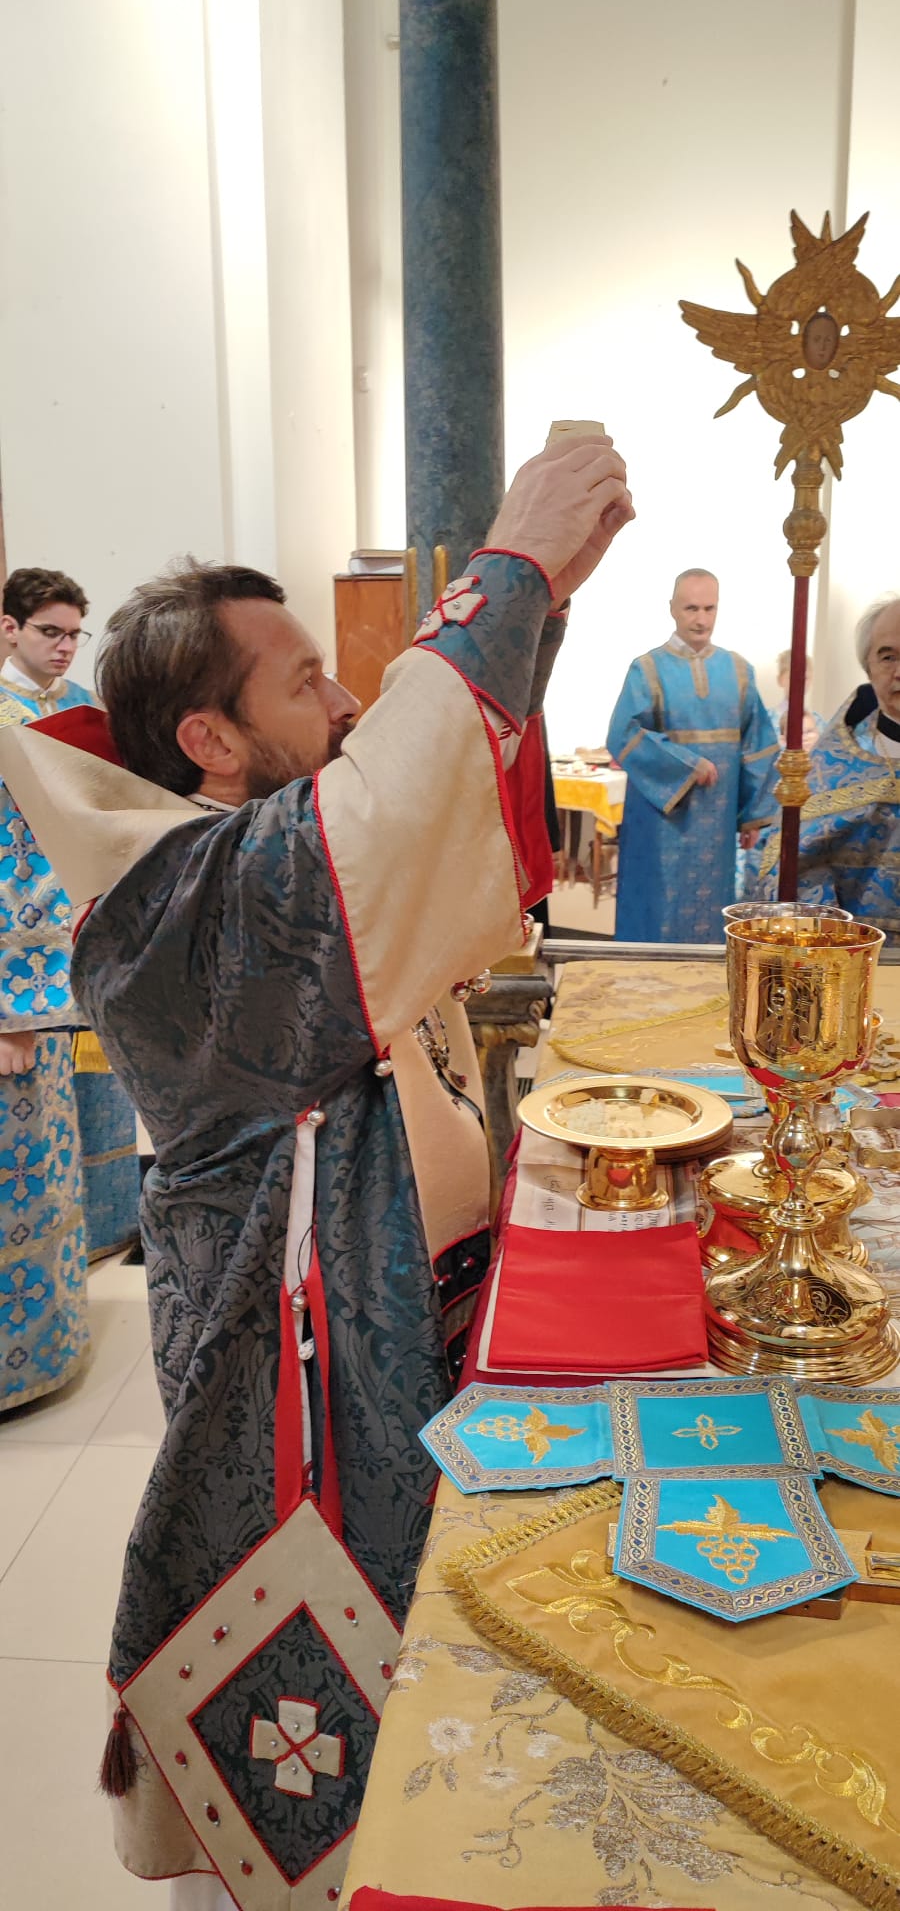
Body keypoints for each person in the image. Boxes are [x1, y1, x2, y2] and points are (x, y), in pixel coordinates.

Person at [0, 437, 633, 1906]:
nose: (348, 701)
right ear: (211, 739)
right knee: (309, 1767)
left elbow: (415, 824)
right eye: (304, 682)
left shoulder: (244, 847)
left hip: (401, 1335)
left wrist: (535, 616)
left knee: (427, 1707)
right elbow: (367, 828)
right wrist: (505, 573)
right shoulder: (176, 902)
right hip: (285, 1394)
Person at [0, 569, 139, 1410]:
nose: (63, 646)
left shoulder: (72, 708)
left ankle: (44, 1348)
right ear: (8, 628)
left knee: (50, 1164)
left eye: (72, 633)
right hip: (17, 993)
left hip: (65, 969)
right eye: (48, 630)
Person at [606, 567, 779, 942]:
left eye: (709, 608)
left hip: (717, 822)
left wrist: (752, 816)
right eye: (691, 609)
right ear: (672, 608)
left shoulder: (739, 671)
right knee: (658, 905)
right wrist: (687, 765)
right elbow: (624, 734)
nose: (701, 620)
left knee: (712, 909)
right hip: (660, 819)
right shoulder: (647, 669)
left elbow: (758, 743)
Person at [756, 595, 900, 932]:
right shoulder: (831, 766)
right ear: (868, 667)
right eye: (888, 657)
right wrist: (829, 934)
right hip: (857, 951)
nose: (899, 672)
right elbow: (791, 866)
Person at [769, 648, 822, 751]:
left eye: (805, 678)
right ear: (780, 680)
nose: (799, 683)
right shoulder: (766, 720)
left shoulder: (818, 722)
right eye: (793, 677)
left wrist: (817, 745)